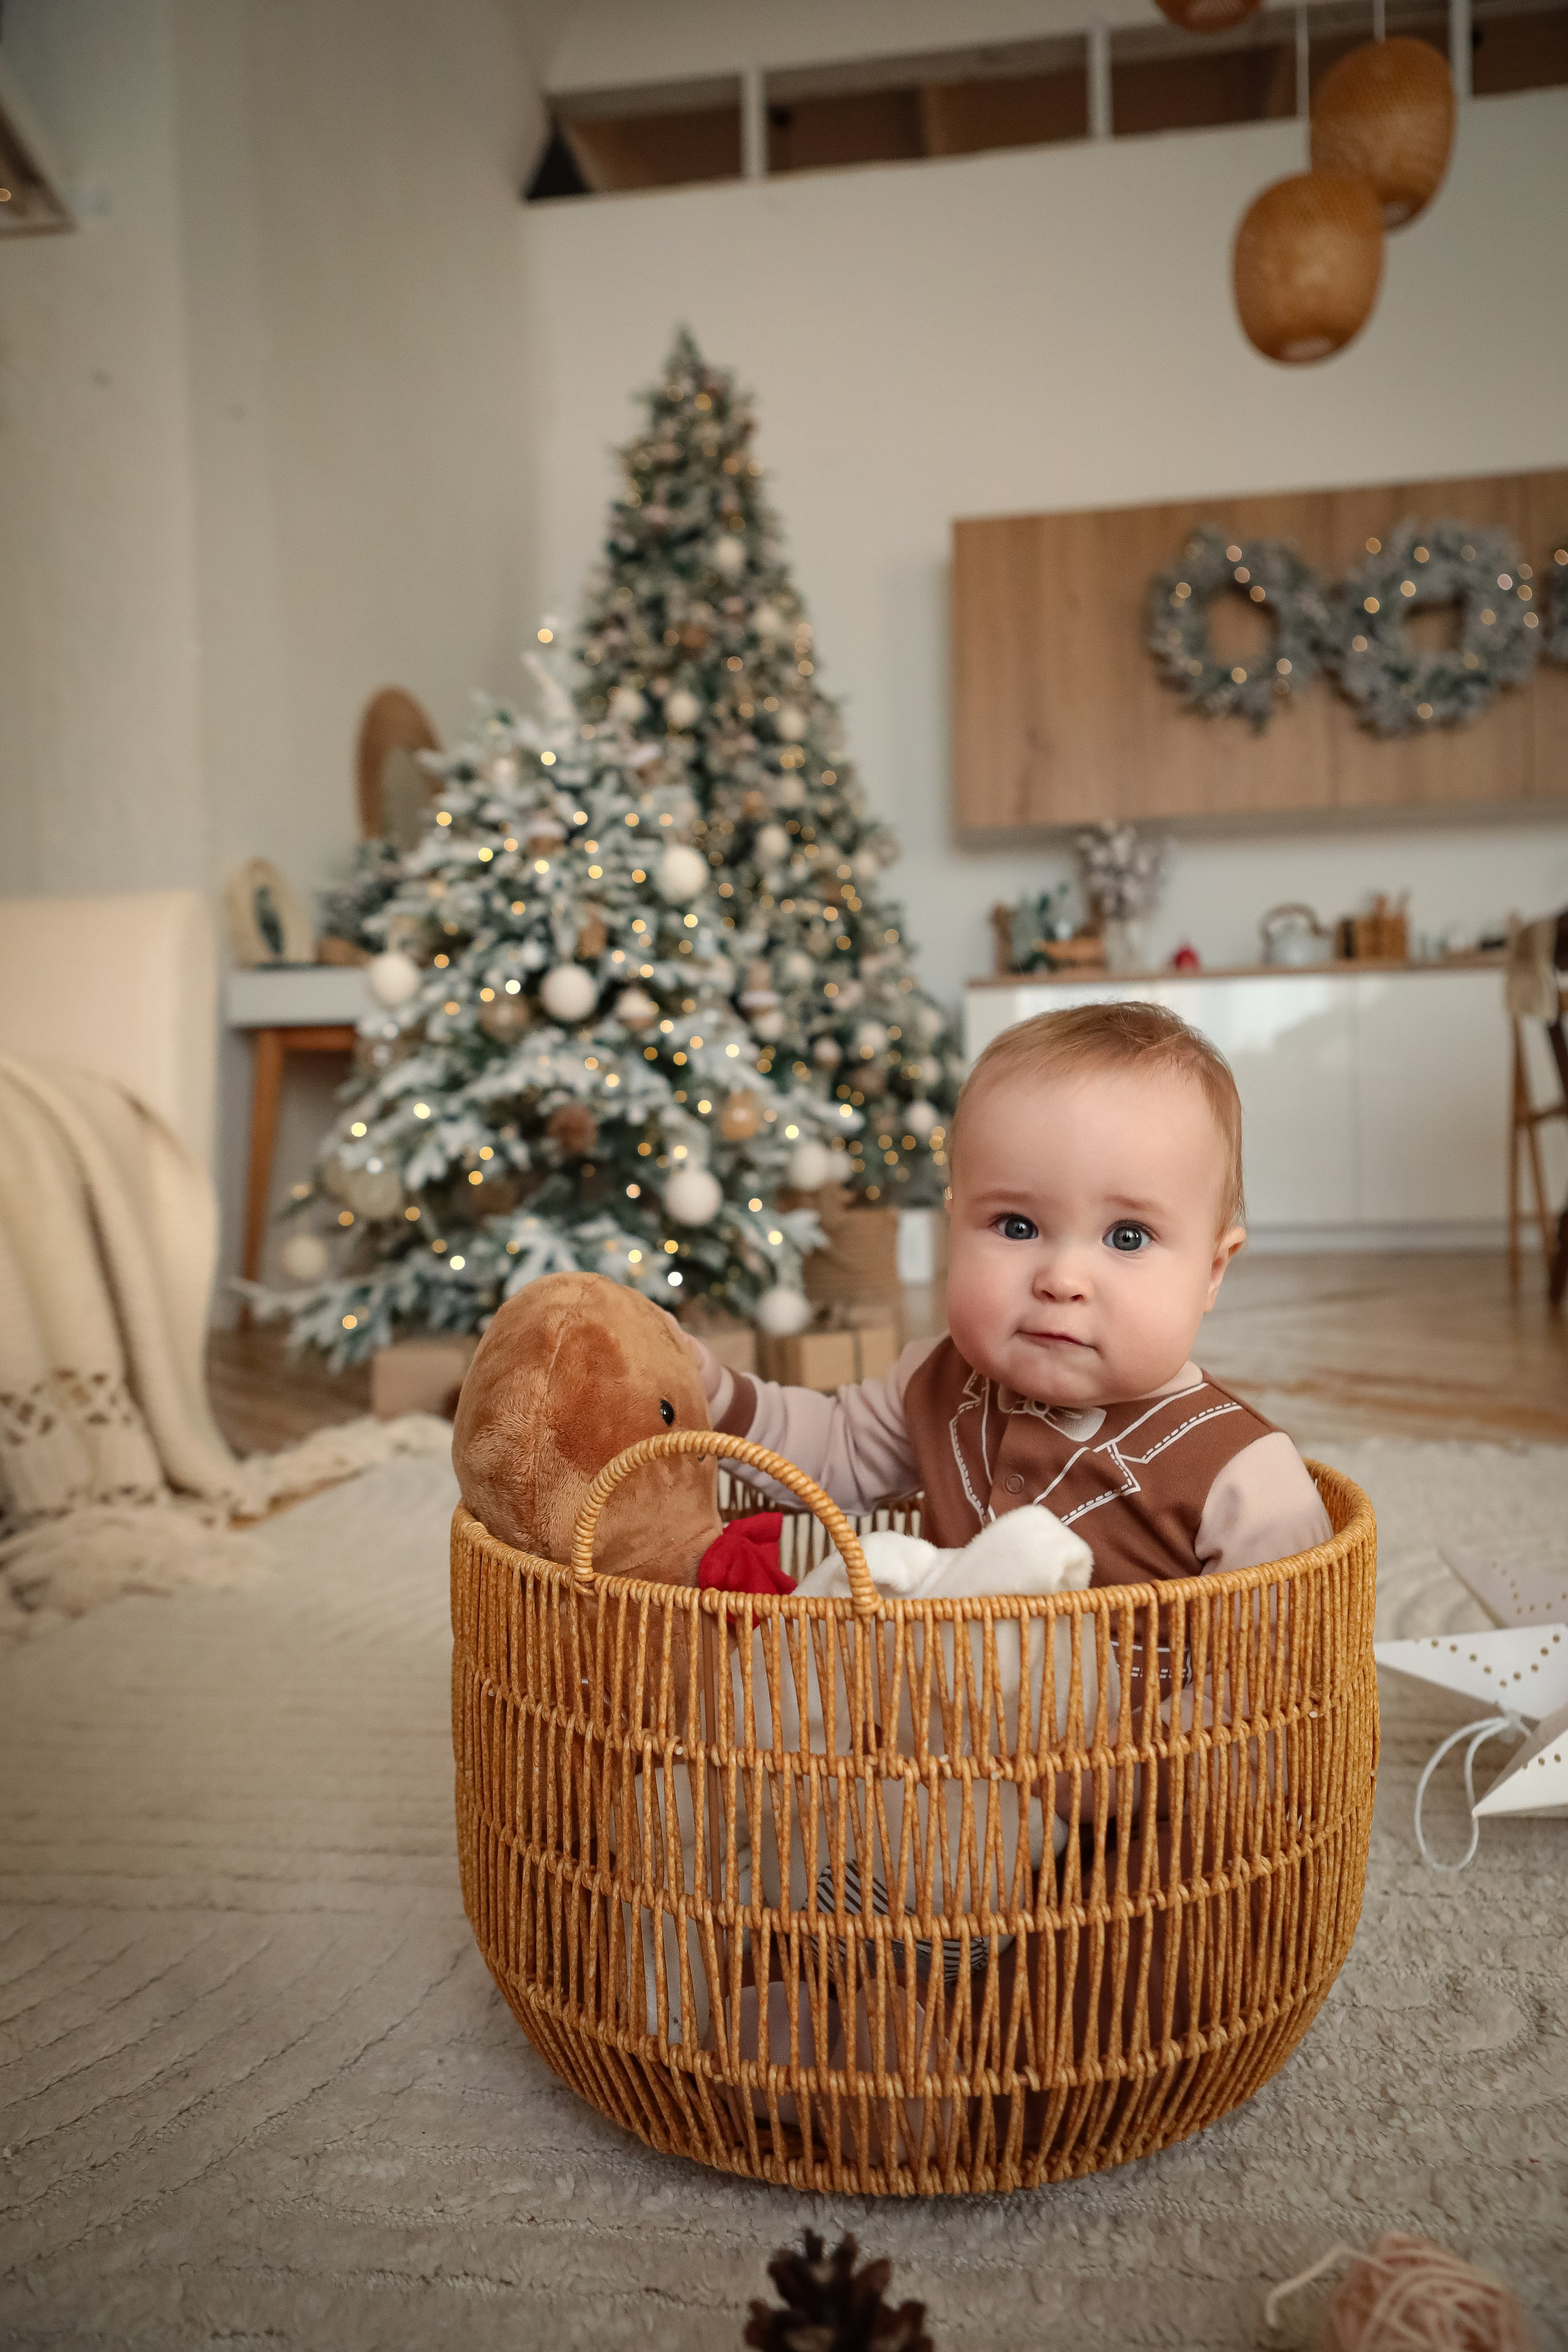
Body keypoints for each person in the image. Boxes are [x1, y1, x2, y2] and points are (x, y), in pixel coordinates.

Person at [690, 999, 1331, 1587]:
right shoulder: (937, 1381)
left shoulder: (1245, 1478)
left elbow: (1275, 1684)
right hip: (938, 1705)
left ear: (1213, 1271)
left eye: (1128, 1237)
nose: (1061, 1280)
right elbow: (828, 1456)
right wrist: (716, 1394)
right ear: (952, 1233)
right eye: (1016, 1227)